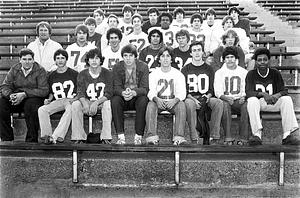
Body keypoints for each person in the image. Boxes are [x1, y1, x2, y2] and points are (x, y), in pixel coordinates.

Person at [246, 48, 300, 145]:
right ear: (256, 62)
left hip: (274, 101)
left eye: (265, 59)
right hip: (260, 103)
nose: (262, 62)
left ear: (269, 61)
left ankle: (287, 135)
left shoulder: (275, 73)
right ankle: (256, 135)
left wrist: (277, 95)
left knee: (286, 99)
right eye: (259, 60)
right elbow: (248, 92)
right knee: (252, 100)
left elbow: (284, 90)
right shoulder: (251, 74)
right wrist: (263, 94)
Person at [0, 48, 49, 142]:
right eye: (24, 59)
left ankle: (31, 140)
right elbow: (5, 86)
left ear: (33, 60)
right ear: (20, 60)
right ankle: (6, 139)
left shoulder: (40, 70)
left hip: (33, 98)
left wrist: (25, 94)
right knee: (1, 104)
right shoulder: (15, 68)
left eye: (30, 59)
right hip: (16, 98)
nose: (27, 62)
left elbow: (44, 90)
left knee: (31, 105)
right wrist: (10, 95)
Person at [182, 41, 223, 144]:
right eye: (194, 50)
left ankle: (214, 136)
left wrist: (208, 96)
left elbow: (211, 88)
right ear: (190, 53)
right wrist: (193, 99)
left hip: (206, 96)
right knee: (189, 104)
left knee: (218, 103)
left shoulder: (209, 69)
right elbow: (183, 89)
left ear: (203, 52)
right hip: (191, 97)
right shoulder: (185, 69)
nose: (197, 53)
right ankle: (194, 137)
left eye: (199, 50)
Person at [145, 46, 187, 145]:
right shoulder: (153, 74)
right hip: (159, 102)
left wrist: (175, 100)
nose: (165, 58)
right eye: (163, 56)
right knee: (151, 105)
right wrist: (156, 99)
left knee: (181, 105)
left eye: (168, 56)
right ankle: (152, 137)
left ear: (171, 59)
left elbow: (182, 93)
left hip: (173, 102)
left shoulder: (178, 74)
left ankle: (179, 137)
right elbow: (150, 91)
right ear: (159, 59)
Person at [72, 48, 113, 144]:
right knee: (75, 105)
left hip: (101, 102)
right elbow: (80, 92)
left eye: (97, 58)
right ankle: (79, 137)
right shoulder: (82, 74)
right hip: (87, 100)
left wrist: (96, 102)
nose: (94, 61)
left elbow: (109, 93)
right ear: (88, 60)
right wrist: (85, 104)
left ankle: (106, 137)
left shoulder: (107, 73)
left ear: (101, 60)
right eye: (91, 58)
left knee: (108, 104)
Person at [38, 49, 78, 144]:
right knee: (42, 109)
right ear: (55, 60)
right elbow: (52, 92)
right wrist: (49, 99)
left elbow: (80, 90)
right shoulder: (51, 75)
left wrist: (74, 99)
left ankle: (56, 136)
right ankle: (46, 135)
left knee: (70, 109)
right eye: (58, 58)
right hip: (58, 100)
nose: (60, 60)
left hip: (70, 100)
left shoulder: (74, 74)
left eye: (62, 58)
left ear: (66, 60)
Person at [111, 44, 149, 145]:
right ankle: (120, 136)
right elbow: (115, 88)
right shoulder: (117, 67)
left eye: (131, 56)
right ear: (122, 57)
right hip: (123, 97)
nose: (128, 58)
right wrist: (123, 93)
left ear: (135, 56)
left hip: (136, 97)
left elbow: (145, 88)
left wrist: (134, 92)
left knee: (143, 100)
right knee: (115, 100)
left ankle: (138, 136)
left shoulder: (143, 66)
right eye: (125, 56)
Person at [214, 46, 249, 145]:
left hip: (239, 100)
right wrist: (225, 98)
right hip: (226, 100)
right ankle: (228, 137)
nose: (230, 59)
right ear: (224, 59)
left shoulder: (243, 72)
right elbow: (218, 91)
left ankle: (243, 138)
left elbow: (246, 88)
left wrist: (244, 96)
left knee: (246, 106)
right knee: (224, 105)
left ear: (236, 58)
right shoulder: (219, 73)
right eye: (227, 57)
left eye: (232, 57)